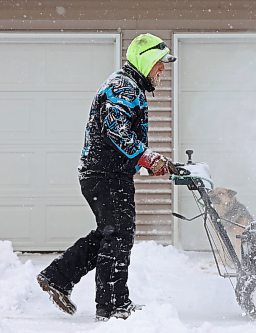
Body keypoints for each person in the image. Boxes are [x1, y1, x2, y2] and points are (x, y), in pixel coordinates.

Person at [36, 33, 177, 321]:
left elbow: (120, 139)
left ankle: (59, 277)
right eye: (159, 63)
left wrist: (146, 163)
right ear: (145, 60)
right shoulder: (123, 88)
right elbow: (116, 131)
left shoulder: (130, 86)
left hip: (106, 173)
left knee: (108, 233)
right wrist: (146, 157)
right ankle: (112, 306)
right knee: (119, 236)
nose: (162, 69)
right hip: (105, 175)